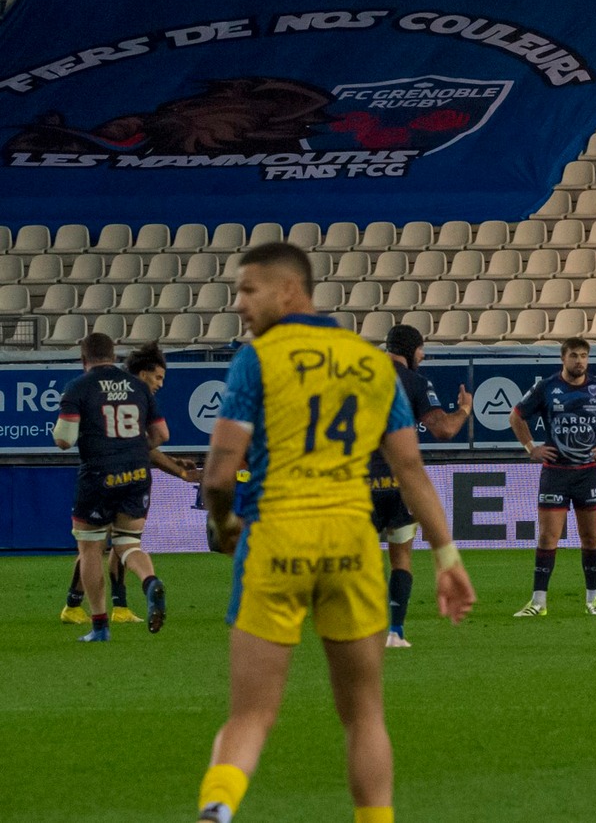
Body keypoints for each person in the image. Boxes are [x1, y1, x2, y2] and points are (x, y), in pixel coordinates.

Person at [193, 241, 475, 823]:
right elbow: (412, 471)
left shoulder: (259, 358)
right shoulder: (371, 363)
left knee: (250, 715)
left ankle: (217, 809)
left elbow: (220, 474)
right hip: (351, 543)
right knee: (365, 714)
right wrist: (448, 558)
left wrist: (223, 527)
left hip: (276, 538)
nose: (239, 304)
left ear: (289, 291)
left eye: (248, 290)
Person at [61, 342, 200, 626]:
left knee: (97, 544)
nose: (160, 384)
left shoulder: (95, 389)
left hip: (103, 475)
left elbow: (140, 446)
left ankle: (110, 607)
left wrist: (174, 466)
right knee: (115, 544)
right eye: (158, 377)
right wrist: (176, 469)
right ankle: (83, 604)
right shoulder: (135, 393)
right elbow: (150, 443)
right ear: (142, 372)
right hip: (128, 476)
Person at [509, 337, 596, 617]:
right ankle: (538, 603)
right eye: (574, 356)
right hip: (555, 473)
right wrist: (531, 448)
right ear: (563, 359)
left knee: (590, 538)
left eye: (584, 356)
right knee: (547, 538)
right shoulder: (547, 387)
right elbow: (516, 416)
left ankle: (594, 601)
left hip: (588, 474)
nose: (580, 361)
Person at [367, 325, 472, 648]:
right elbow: (442, 429)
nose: (423, 356)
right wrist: (465, 409)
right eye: (421, 350)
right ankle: (395, 632)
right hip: (399, 484)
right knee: (401, 559)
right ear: (411, 349)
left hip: (358, 483)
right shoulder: (414, 382)